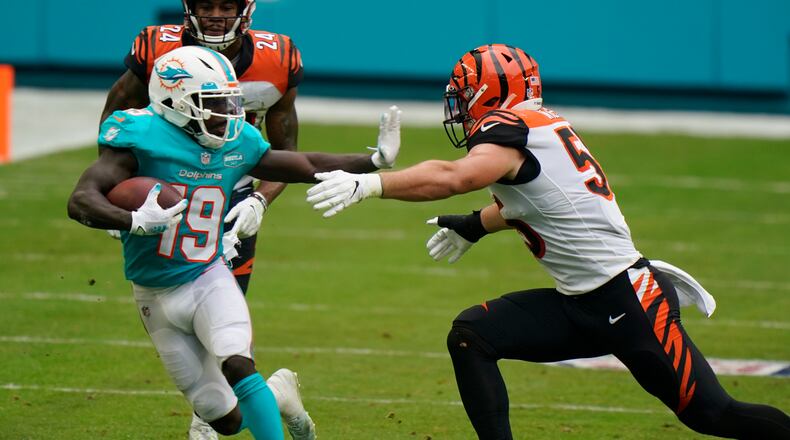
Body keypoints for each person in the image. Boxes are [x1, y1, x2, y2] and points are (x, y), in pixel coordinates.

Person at [305, 44, 790, 439]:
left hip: (629, 300)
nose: (458, 103)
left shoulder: (509, 129)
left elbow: (456, 176)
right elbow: (531, 202)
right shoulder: (537, 126)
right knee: (472, 334)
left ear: (491, 92)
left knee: (714, 415)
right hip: (581, 303)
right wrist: (475, 225)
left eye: (465, 92)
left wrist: (370, 184)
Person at [69, 46, 401, 439]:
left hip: (207, 275)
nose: (227, 113)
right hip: (152, 292)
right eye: (212, 103)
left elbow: (305, 164)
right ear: (174, 101)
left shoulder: (235, 141)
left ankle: (265, 400)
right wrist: (132, 220)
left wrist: (373, 162)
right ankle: (278, 393)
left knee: (239, 365)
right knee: (224, 420)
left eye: (229, 101)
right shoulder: (141, 136)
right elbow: (81, 199)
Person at [101, 0, 319, 295]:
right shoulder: (157, 49)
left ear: (245, 11)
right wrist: (114, 192)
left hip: (231, 184)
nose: (215, 16)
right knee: (163, 295)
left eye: (226, 6)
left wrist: (259, 199)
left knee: (230, 303)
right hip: (163, 185)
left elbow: (286, 152)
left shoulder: (277, 59)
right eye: (205, 5)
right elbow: (115, 125)